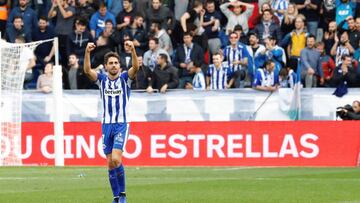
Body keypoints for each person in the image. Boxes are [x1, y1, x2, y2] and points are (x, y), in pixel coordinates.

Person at [84, 40, 139, 203]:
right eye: (111, 63)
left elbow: (135, 68)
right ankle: (115, 197)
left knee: (116, 158)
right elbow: (87, 70)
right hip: (106, 125)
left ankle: (122, 195)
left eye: (116, 63)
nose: (114, 65)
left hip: (122, 124)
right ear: (106, 66)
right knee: (109, 163)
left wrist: (133, 50)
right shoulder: (101, 80)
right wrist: (87, 52)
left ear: (119, 66)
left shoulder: (125, 79)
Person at [48, 0, 76, 66]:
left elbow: (65, 15)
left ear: (65, 1)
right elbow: (49, 16)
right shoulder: (58, 8)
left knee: (67, 54)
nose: (59, 2)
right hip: (58, 34)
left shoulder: (72, 9)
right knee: (57, 54)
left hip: (67, 35)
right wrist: (53, 6)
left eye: (60, 1)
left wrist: (59, 5)